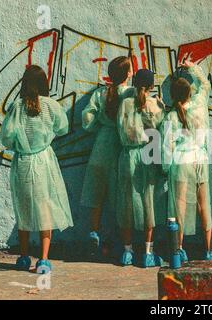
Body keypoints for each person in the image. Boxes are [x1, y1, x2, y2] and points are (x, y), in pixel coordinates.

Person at [0, 65, 73, 273]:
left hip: (23, 161)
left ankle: (23, 257)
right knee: (45, 208)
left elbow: (6, 136)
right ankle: (43, 259)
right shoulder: (51, 105)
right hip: (44, 160)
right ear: (44, 83)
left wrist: (17, 145)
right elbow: (63, 128)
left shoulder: (17, 106)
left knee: (23, 210)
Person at [161, 60, 212, 262]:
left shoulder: (171, 117)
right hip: (201, 159)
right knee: (204, 206)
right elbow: (205, 84)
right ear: (189, 93)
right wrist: (192, 67)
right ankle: (209, 249)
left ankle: (179, 248)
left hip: (182, 162)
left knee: (180, 207)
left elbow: (167, 148)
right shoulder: (200, 104)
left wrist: (165, 169)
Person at [80, 56, 134, 255]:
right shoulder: (131, 93)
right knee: (121, 195)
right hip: (122, 145)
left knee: (97, 192)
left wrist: (97, 125)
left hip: (102, 144)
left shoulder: (101, 93)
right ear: (128, 74)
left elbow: (87, 118)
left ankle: (94, 233)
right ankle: (122, 240)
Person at [117, 69, 165, 267]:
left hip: (128, 155)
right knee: (149, 203)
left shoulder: (125, 103)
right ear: (152, 86)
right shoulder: (156, 106)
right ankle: (148, 252)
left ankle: (127, 251)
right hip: (148, 154)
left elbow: (120, 128)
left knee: (127, 203)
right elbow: (160, 130)